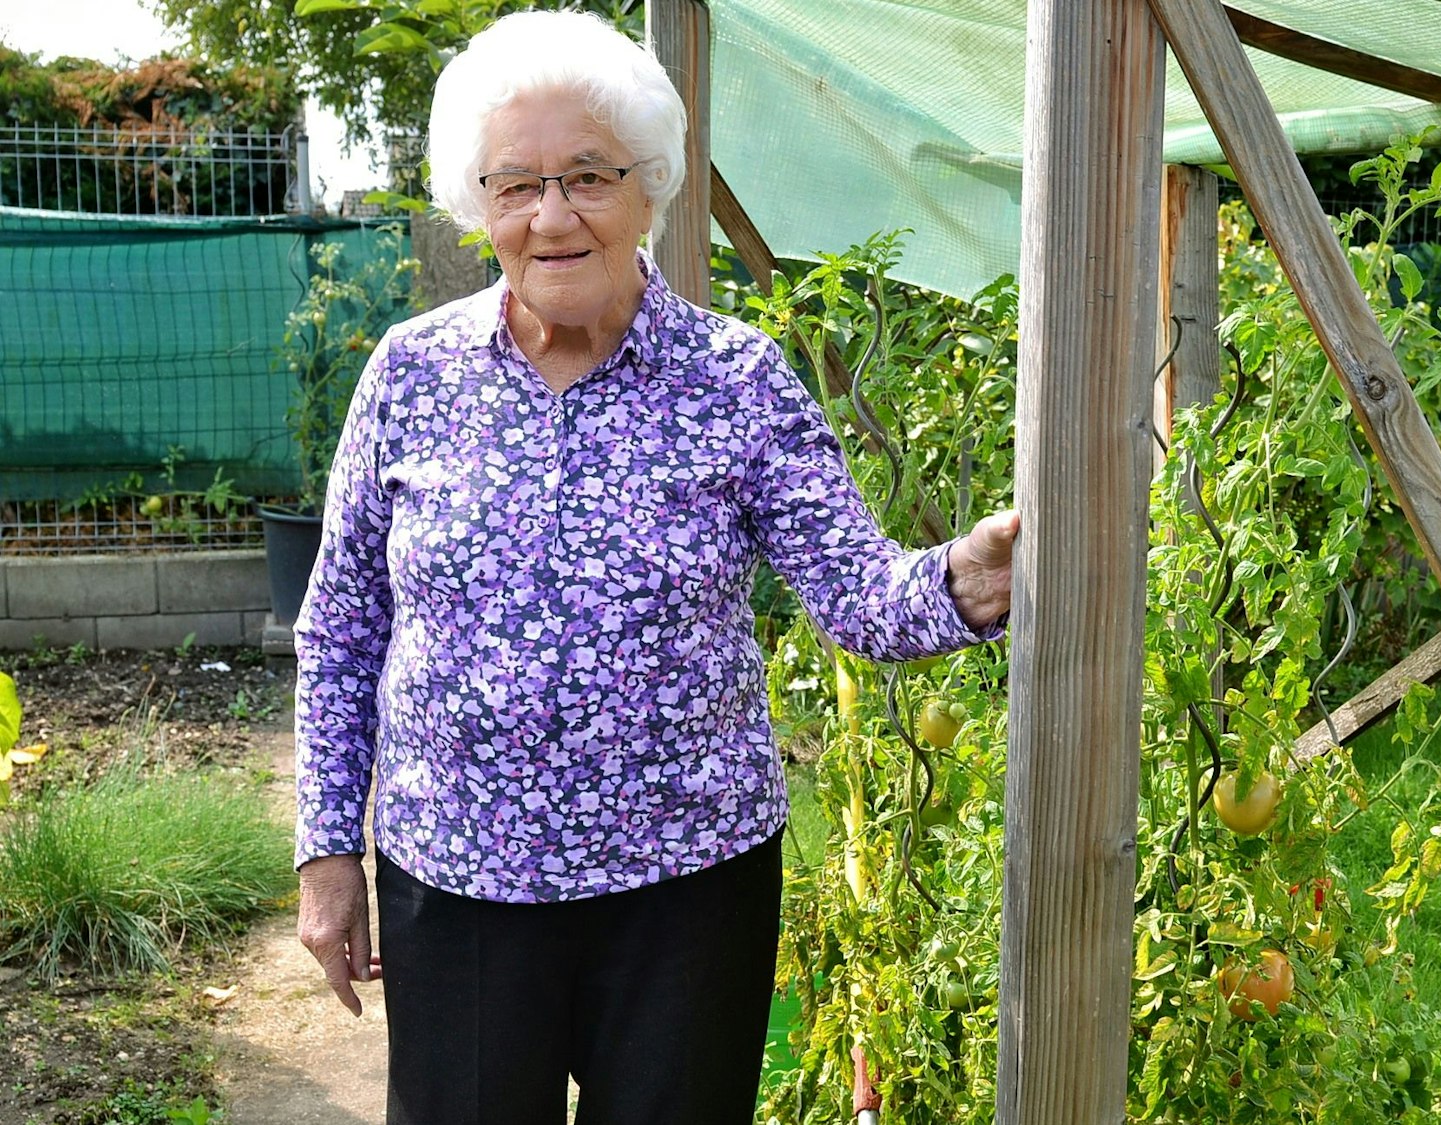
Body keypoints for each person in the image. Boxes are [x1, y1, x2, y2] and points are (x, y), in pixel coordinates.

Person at [291, 11, 1017, 1123]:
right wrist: (328, 854)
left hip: (687, 887)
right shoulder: (410, 377)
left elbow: (856, 591)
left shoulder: (737, 381)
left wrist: (964, 582)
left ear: (648, 189)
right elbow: (342, 628)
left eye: (588, 175)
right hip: (461, 875)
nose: (553, 216)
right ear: (476, 204)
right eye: (516, 184)